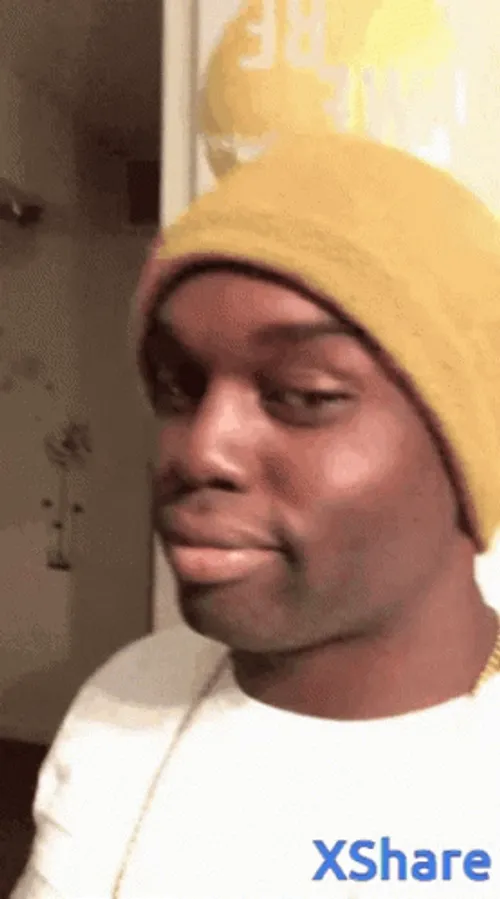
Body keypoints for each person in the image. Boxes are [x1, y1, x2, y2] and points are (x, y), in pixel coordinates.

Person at [12, 132, 500, 898]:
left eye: (305, 393)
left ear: (472, 444)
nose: (201, 449)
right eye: (177, 387)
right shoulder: (129, 691)